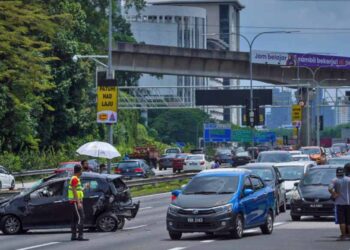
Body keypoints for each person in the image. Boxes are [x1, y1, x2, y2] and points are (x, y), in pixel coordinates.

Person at [328, 166, 350, 240]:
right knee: (349, 220)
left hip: (339, 203)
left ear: (337, 173)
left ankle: (343, 236)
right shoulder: (348, 179)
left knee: (342, 221)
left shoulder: (334, 180)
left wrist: (334, 194)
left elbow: (330, 188)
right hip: (349, 203)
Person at [68, 165, 89, 241]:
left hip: (75, 201)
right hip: (75, 202)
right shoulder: (74, 179)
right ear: (79, 171)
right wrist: (78, 202)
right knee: (81, 217)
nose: (82, 172)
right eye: (81, 170)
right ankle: (80, 236)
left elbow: (78, 190)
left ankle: (74, 236)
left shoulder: (76, 179)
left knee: (75, 219)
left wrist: (84, 187)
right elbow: (74, 191)